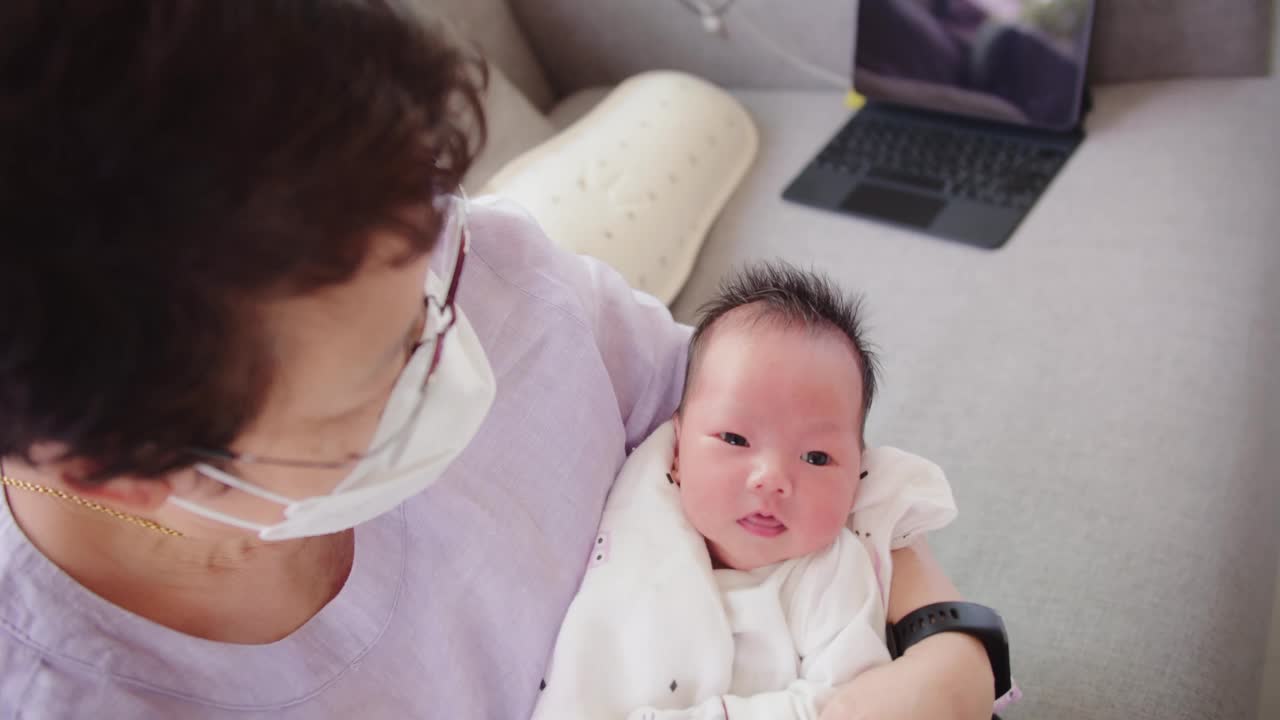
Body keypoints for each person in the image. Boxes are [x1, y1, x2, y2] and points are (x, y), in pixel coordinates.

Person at [0, 2, 995, 718]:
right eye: (386, 372)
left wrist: (945, 644)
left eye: (436, 263)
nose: (457, 341)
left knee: (676, 123)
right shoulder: (76, 689)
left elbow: (779, 429)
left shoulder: (486, 264)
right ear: (120, 474)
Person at [531, 264, 959, 720]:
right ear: (676, 451)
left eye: (816, 458)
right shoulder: (642, 506)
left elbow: (852, 702)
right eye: (735, 440)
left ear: (858, 472)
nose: (771, 478)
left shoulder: (830, 571)